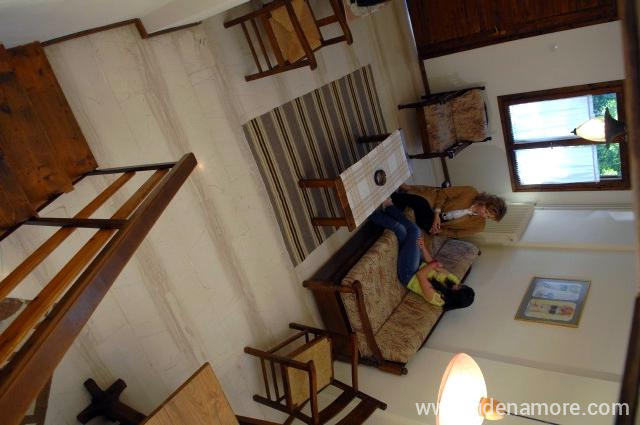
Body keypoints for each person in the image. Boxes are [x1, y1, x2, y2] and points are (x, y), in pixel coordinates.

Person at [370, 202, 475, 311]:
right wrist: (423, 247)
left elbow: (421, 275)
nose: (458, 284)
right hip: (418, 264)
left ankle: (384, 209)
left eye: (459, 287)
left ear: (455, 296)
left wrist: (434, 264)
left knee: (415, 231)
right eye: (461, 285)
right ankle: (382, 212)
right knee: (401, 230)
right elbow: (431, 263)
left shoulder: (438, 299)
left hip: (409, 274)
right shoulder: (454, 281)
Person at [390, 184, 507, 238]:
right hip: (436, 206)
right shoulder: (470, 192)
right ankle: (392, 200)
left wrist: (439, 231)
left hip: (436, 224)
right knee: (421, 201)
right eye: (486, 212)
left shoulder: (479, 226)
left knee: (420, 208)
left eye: (488, 217)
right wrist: (437, 213)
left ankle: (393, 202)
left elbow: (455, 234)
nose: (484, 216)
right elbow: (444, 193)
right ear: (485, 202)